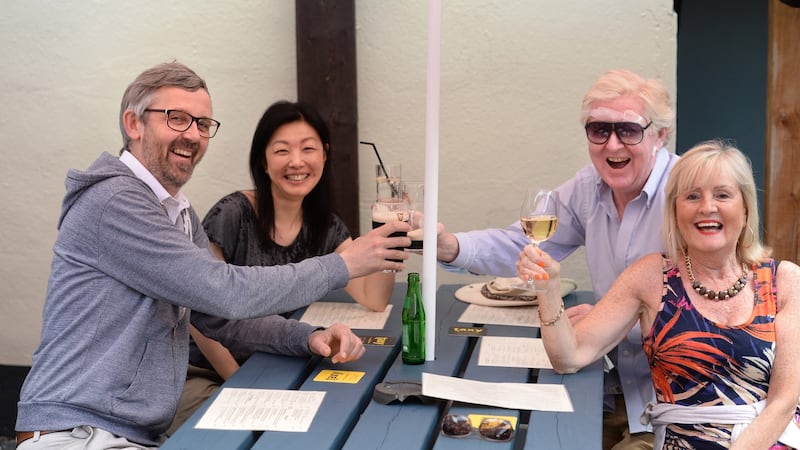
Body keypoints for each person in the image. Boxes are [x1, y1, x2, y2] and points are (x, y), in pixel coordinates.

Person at [15, 62, 410, 449]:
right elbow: (224, 292)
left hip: (129, 433)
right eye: (176, 118)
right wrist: (342, 265)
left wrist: (309, 338)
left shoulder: (176, 210)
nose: (193, 135)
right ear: (133, 125)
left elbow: (218, 317)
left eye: (203, 124)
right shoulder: (116, 201)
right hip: (76, 433)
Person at [435, 69, 675, 449]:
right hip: (606, 391)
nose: (613, 145)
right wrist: (449, 247)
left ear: (660, 135)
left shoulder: (688, 193)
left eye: (628, 130)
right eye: (599, 130)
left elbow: (711, 305)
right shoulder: (588, 188)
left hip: (672, 405)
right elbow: (522, 243)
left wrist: (605, 317)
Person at [519, 141, 800, 450]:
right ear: (675, 211)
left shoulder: (784, 280)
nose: (707, 207)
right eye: (692, 196)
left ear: (745, 210)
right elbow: (569, 357)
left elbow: (784, 402)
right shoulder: (651, 277)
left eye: (722, 195)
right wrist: (548, 290)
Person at [167, 100, 396, 433]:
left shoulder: (324, 224)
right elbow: (201, 317)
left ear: (325, 154)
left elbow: (372, 298)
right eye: (282, 150)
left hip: (275, 358)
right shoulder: (233, 214)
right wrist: (239, 383)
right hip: (206, 370)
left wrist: (387, 240)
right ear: (263, 159)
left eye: (308, 149)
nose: (297, 162)